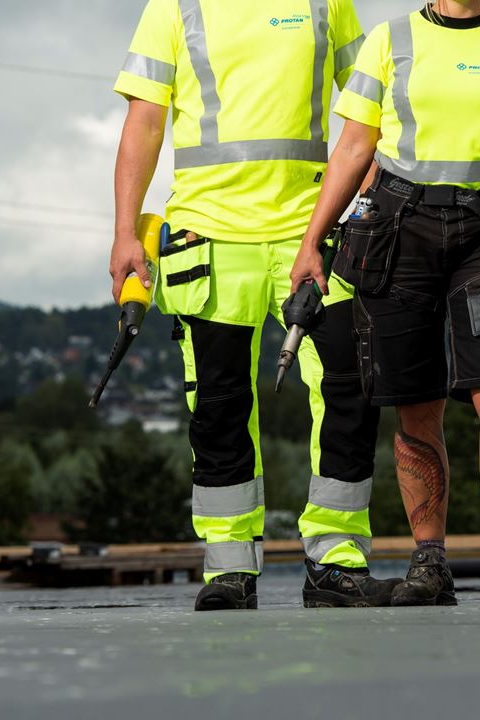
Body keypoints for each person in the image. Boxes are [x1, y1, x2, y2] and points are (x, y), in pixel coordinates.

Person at [291, 0, 480, 606]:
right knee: (415, 402)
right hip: (399, 227)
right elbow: (355, 148)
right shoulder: (389, 40)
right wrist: (312, 244)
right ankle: (428, 562)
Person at [110, 0, 400, 611]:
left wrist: (362, 191)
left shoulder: (327, 4)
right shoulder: (174, 7)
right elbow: (144, 122)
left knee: (349, 386)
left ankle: (337, 561)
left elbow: (376, 110)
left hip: (310, 233)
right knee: (217, 402)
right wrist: (123, 233)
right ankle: (229, 568)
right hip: (208, 234)